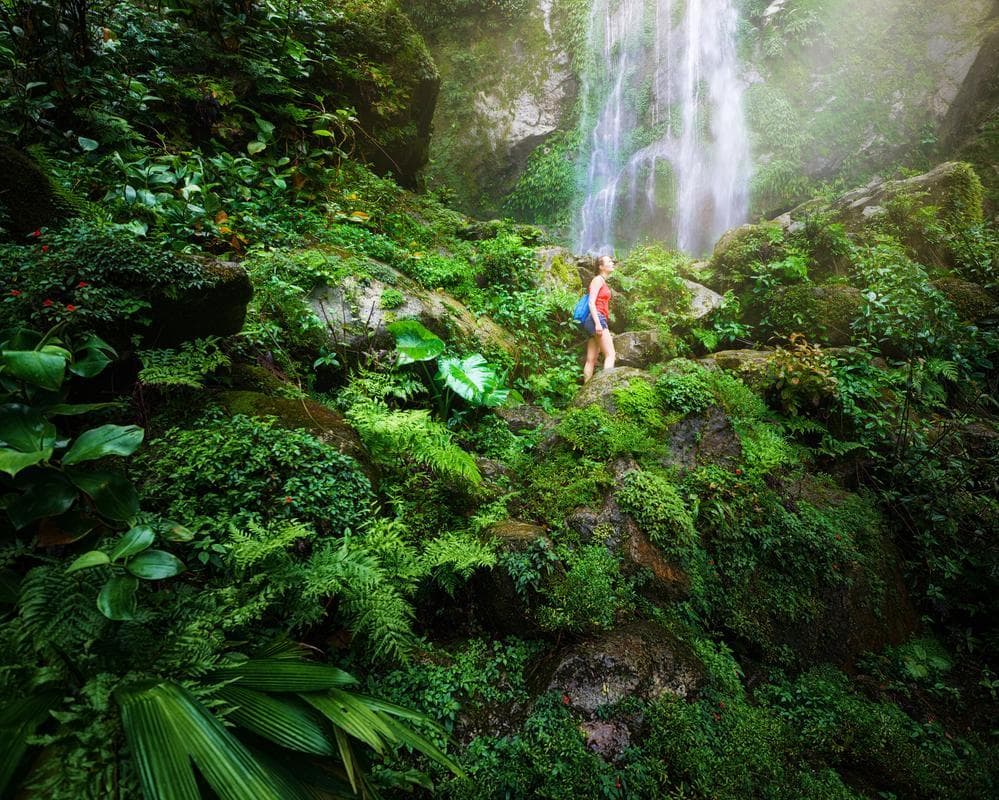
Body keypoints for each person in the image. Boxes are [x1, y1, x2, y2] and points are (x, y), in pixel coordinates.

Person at [582, 254, 616, 383]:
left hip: (595, 320)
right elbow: (591, 302)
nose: (612, 262)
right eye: (609, 261)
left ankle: (586, 389)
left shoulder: (602, 281)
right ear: (601, 266)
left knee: (591, 359)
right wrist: (597, 323)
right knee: (611, 354)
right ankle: (605, 387)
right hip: (597, 319)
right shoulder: (597, 280)